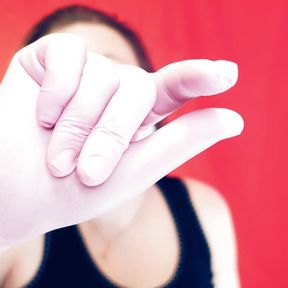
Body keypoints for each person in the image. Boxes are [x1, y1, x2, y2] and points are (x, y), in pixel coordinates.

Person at [0, 5, 243, 288]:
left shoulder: (204, 209)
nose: (91, 89)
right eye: (70, 75)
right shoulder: (21, 227)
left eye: (111, 67)